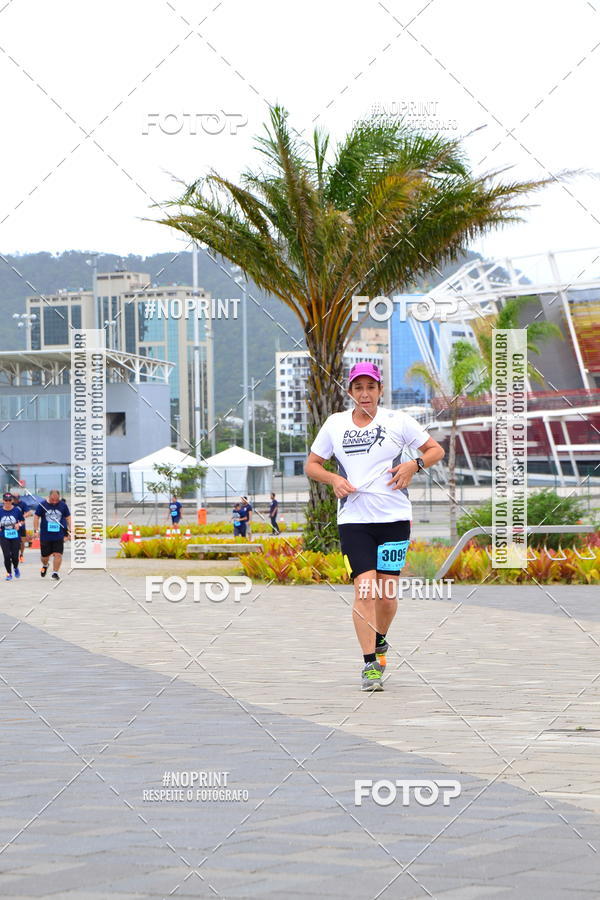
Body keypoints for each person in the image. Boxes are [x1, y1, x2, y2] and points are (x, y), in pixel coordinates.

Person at [305, 362, 445, 692]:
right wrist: (334, 478)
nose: (364, 394)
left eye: (371, 387)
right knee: (365, 588)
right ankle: (370, 664)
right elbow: (312, 465)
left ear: (380, 390)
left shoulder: (398, 421)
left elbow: (435, 449)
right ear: (350, 392)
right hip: (354, 521)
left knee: (386, 594)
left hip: (394, 519)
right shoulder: (335, 424)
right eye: (358, 388)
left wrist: (414, 464)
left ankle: (380, 639)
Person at [33, 489, 71, 580]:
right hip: (45, 535)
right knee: (44, 556)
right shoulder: (42, 505)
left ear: (59, 498)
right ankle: (45, 565)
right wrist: (36, 530)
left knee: (58, 554)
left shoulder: (63, 505)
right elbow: (36, 517)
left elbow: (68, 517)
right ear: (49, 497)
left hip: (59, 535)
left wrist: (71, 530)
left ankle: (55, 572)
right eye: (52, 499)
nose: (54, 502)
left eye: (56, 500)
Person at [1, 492, 24, 581]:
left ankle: (15, 567)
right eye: (6, 500)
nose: (7, 502)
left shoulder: (16, 510)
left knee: (15, 556)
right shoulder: (0, 511)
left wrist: (19, 525)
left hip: (15, 536)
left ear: (12, 500)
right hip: (3, 536)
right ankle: (9, 573)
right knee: (6, 556)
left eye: (9, 500)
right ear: (3, 501)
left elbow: (22, 521)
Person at [11, 491, 32, 563]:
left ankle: (21, 555)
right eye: (14, 498)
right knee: (12, 541)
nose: (15, 499)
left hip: (21, 525)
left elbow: (29, 512)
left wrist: (23, 516)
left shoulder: (23, 504)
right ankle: (13, 556)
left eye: (17, 498)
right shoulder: (10, 503)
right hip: (12, 526)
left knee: (22, 542)